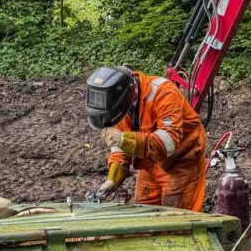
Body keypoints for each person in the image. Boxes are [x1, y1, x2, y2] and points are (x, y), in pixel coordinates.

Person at [85, 66, 207, 211]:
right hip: (149, 162)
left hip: (180, 162)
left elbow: (168, 143)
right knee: (143, 210)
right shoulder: (119, 106)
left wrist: (124, 139)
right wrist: (112, 179)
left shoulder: (163, 92)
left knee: (176, 216)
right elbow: (120, 146)